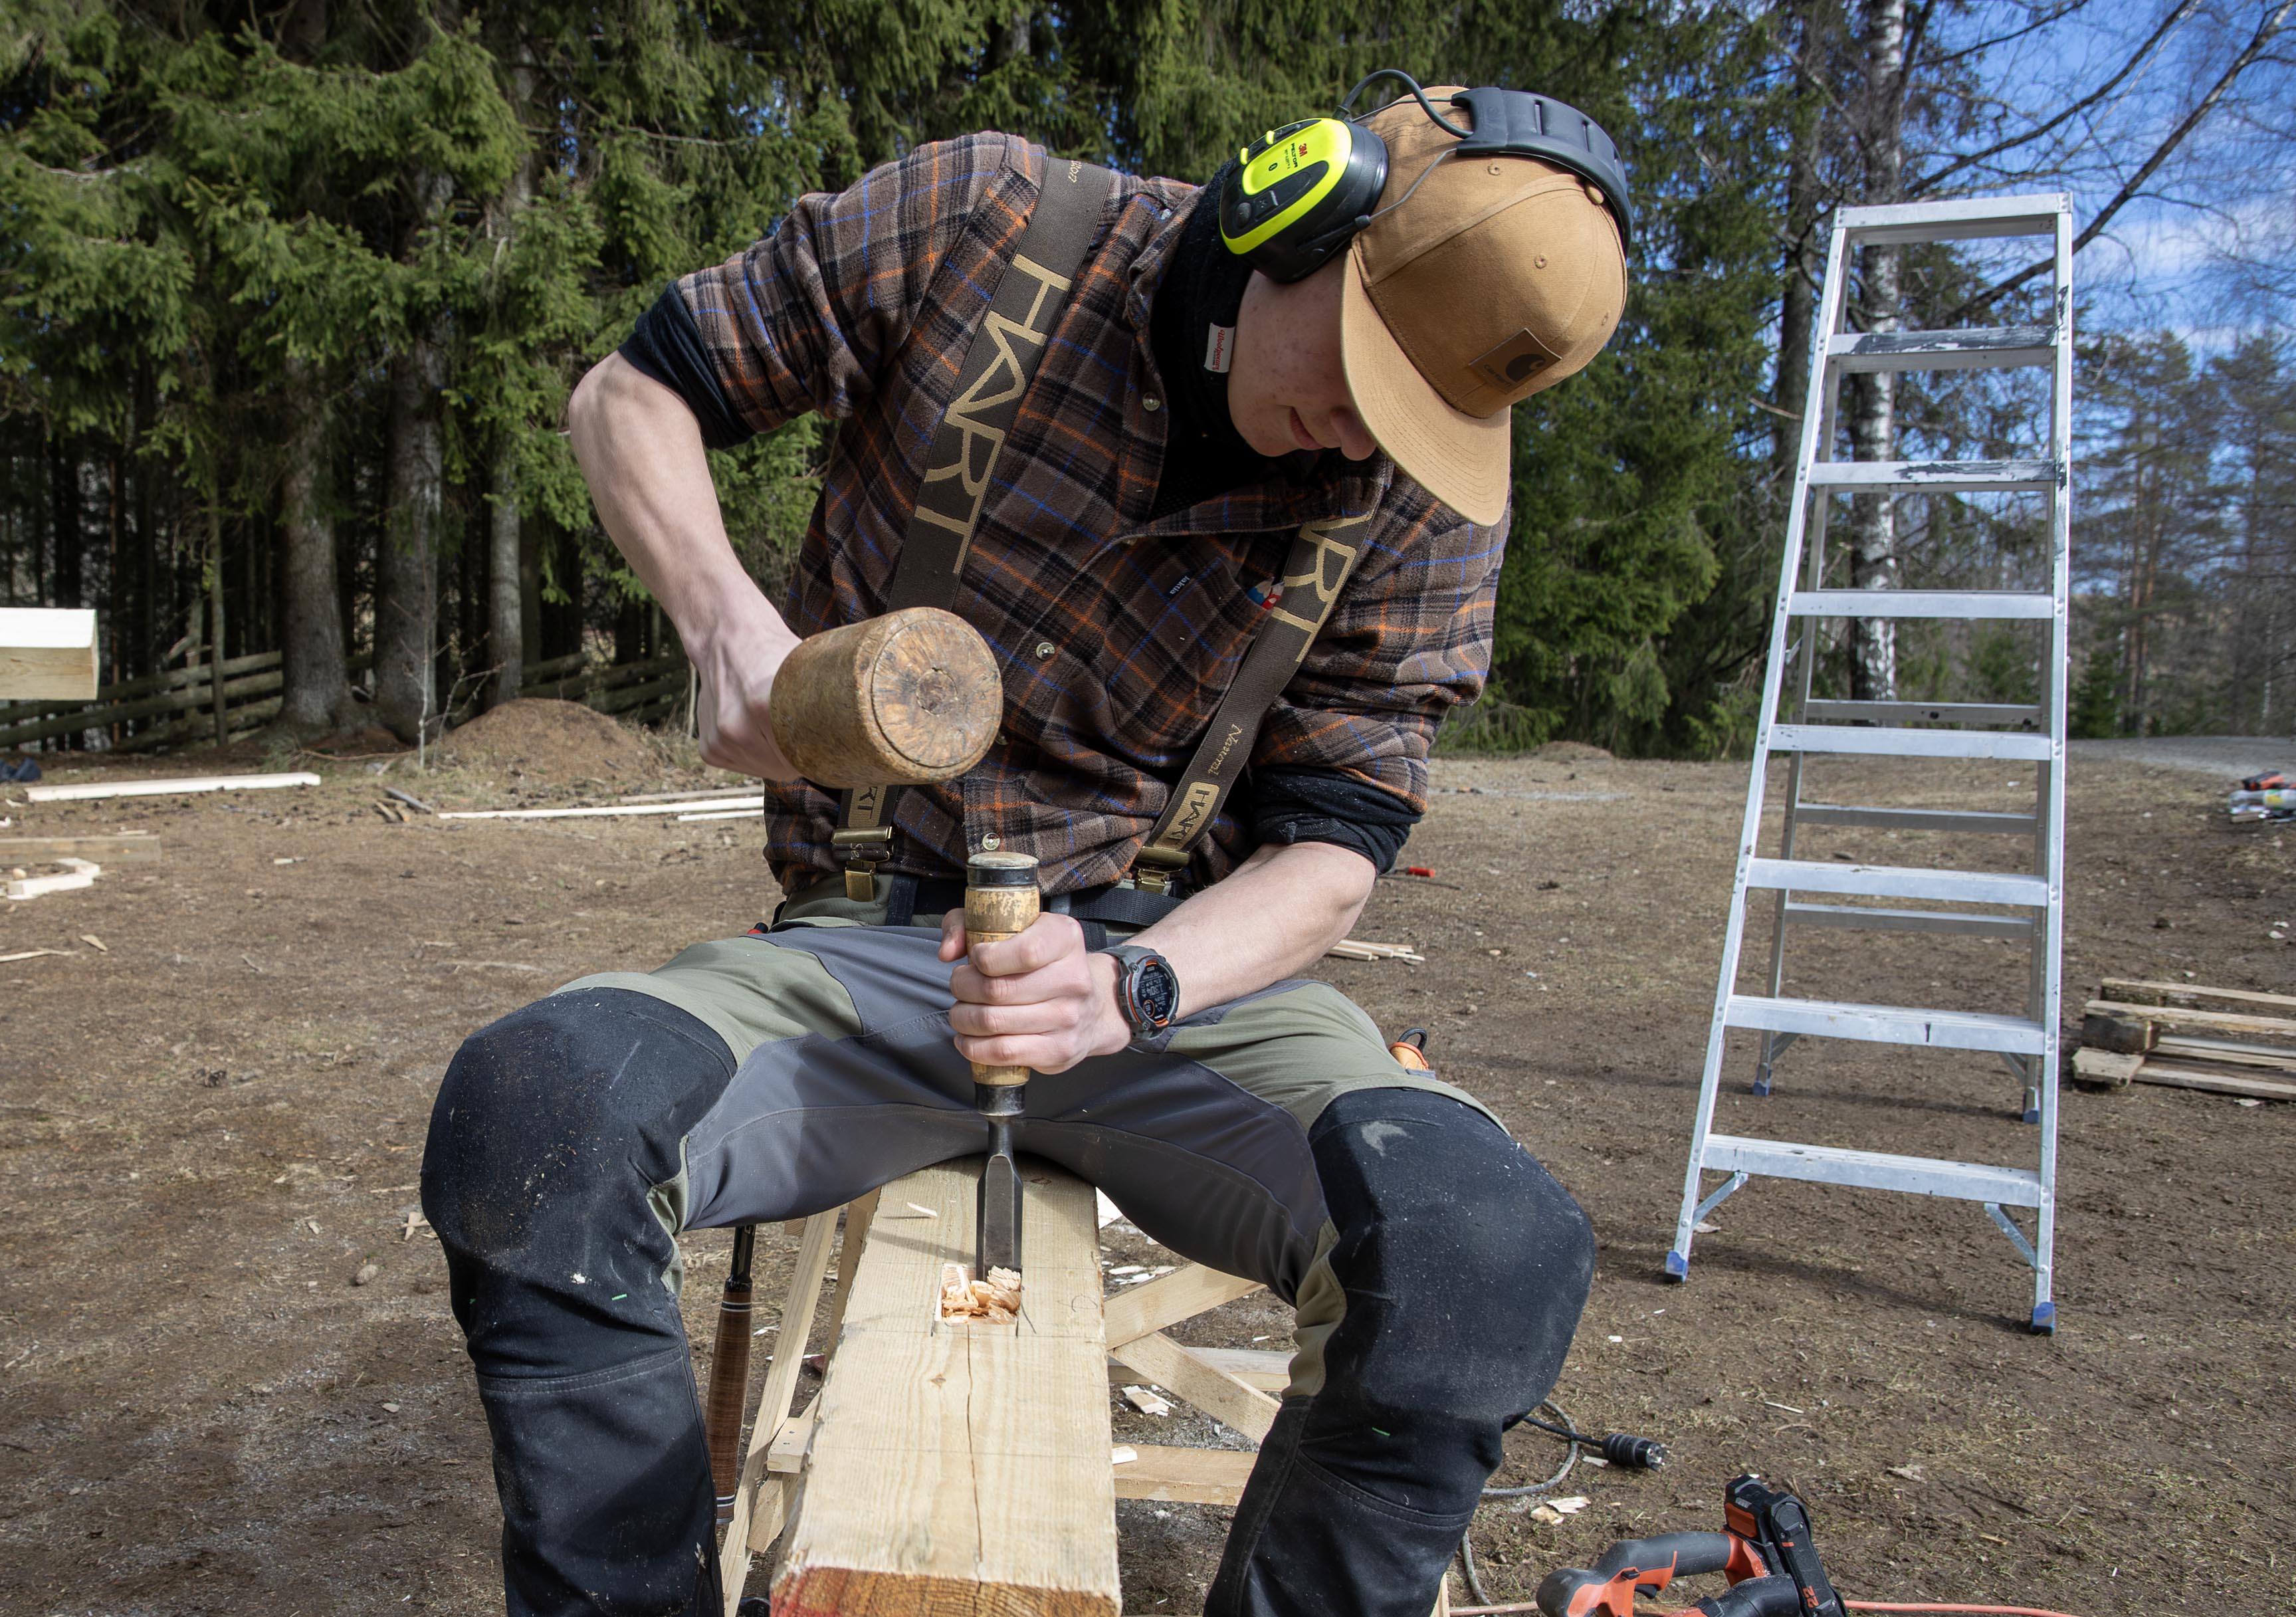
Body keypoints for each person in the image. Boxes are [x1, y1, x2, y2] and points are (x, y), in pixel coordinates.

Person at [422, 78, 1629, 1617]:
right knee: (542, 1115)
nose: (1362, 435)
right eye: (1362, 367)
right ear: (1291, 212)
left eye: (1424, 417)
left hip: (1172, 990)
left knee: (1481, 1248)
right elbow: (627, 396)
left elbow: (1336, 845)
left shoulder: (1420, 498)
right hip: (867, 965)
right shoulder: (981, 225)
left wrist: (1132, 984)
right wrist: (726, 619)